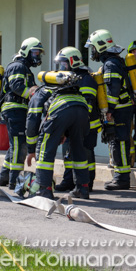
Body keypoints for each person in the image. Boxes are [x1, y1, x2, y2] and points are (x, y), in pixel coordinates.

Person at [25, 65, 90, 199]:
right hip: (82, 109)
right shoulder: (61, 89)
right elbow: (68, 114)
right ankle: (82, 188)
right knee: (78, 148)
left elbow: (32, 121)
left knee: (45, 149)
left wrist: (31, 149)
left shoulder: (38, 93)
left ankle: (44, 189)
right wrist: (63, 133)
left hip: (63, 110)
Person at [85, 29, 133, 190]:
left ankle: (122, 179)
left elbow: (113, 90)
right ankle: (119, 176)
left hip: (119, 110)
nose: (92, 52)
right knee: (116, 141)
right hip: (120, 109)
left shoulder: (111, 64)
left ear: (100, 46)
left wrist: (109, 110)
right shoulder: (112, 61)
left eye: (93, 48)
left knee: (119, 142)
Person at [51, 47, 100, 193]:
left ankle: (87, 182)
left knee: (86, 154)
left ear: (73, 61)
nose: (62, 67)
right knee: (68, 154)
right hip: (72, 125)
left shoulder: (86, 78)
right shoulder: (69, 78)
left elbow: (88, 104)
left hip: (87, 125)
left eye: (64, 63)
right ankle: (69, 181)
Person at [0, 37, 43, 189]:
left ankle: (4, 177)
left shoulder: (25, 68)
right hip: (14, 108)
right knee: (19, 144)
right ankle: (14, 181)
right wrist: (32, 93)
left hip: (18, 108)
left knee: (14, 145)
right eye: (35, 52)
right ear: (26, 51)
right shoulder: (18, 66)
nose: (38, 55)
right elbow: (17, 86)